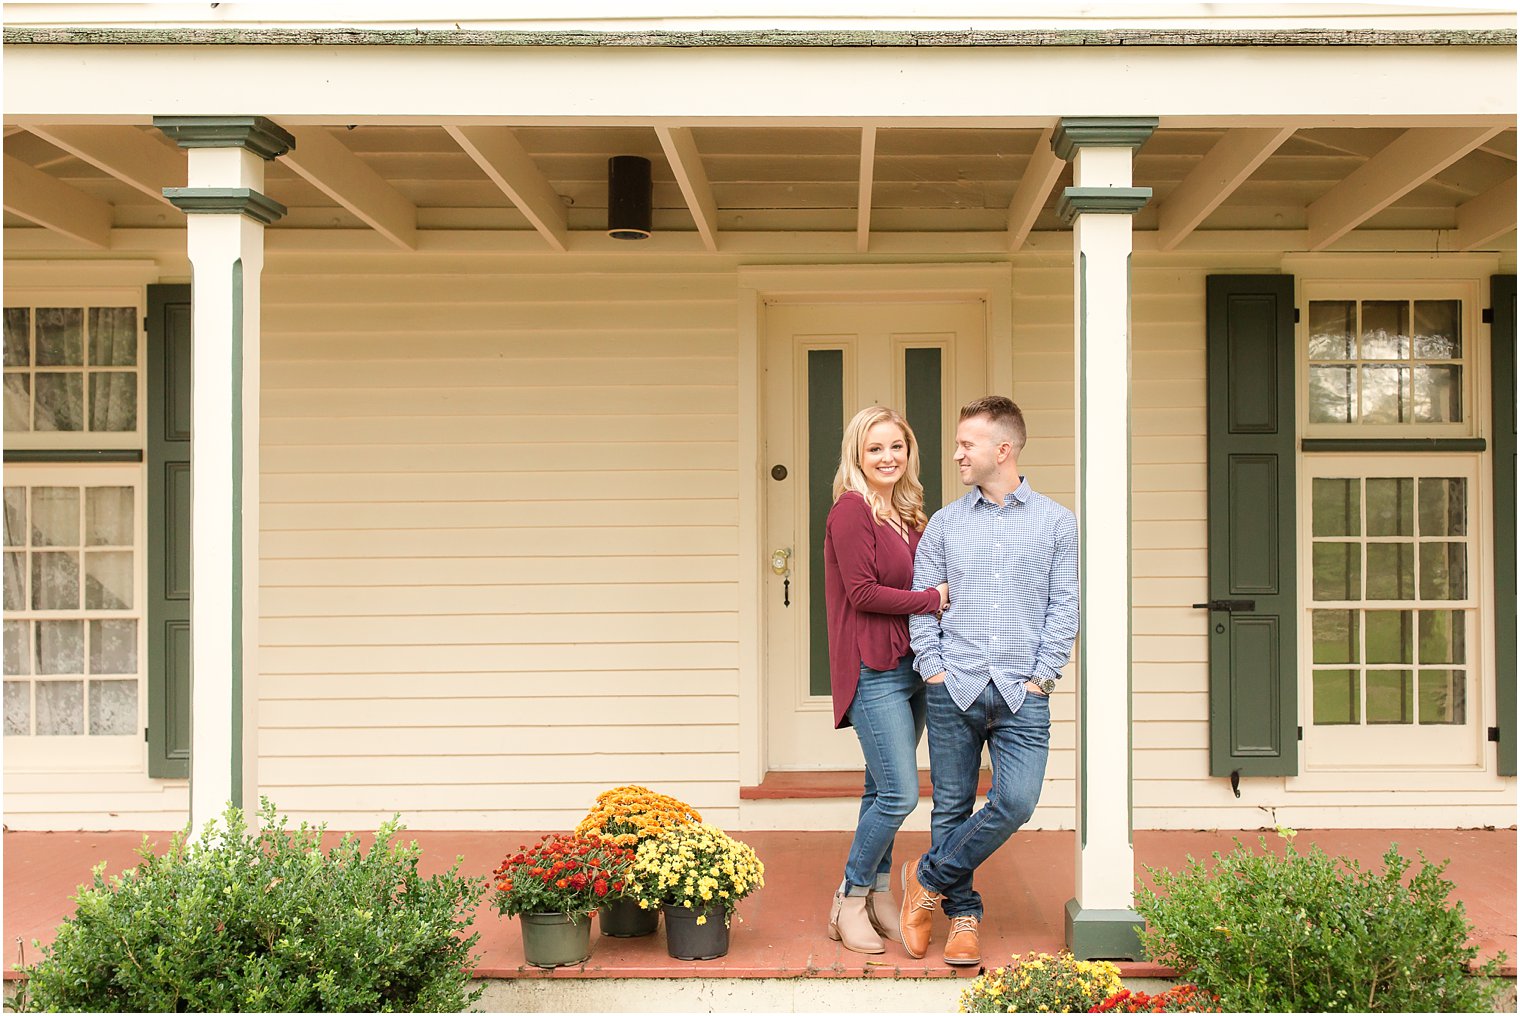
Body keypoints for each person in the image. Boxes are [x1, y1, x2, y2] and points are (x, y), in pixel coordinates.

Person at [900, 396, 1079, 966]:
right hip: (955, 687)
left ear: (1003, 450)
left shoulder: (1057, 522)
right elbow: (924, 606)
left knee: (1017, 802)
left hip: (1022, 691)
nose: (956, 453)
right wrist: (932, 669)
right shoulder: (945, 525)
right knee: (951, 806)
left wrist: (1043, 677)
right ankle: (964, 917)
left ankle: (924, 879)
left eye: (966, 444)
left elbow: (1064, 605)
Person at [822, 406, 950, 955]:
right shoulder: (851, 512)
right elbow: (862, 592)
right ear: (857, 454)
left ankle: (876, 896)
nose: (887, 457)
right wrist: (931, 600)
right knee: (900, 794)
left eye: (896, 446)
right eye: (875, 448)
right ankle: (848, 898)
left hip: (912, 667)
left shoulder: (910, 513)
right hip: (873, 667)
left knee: (879, 788)